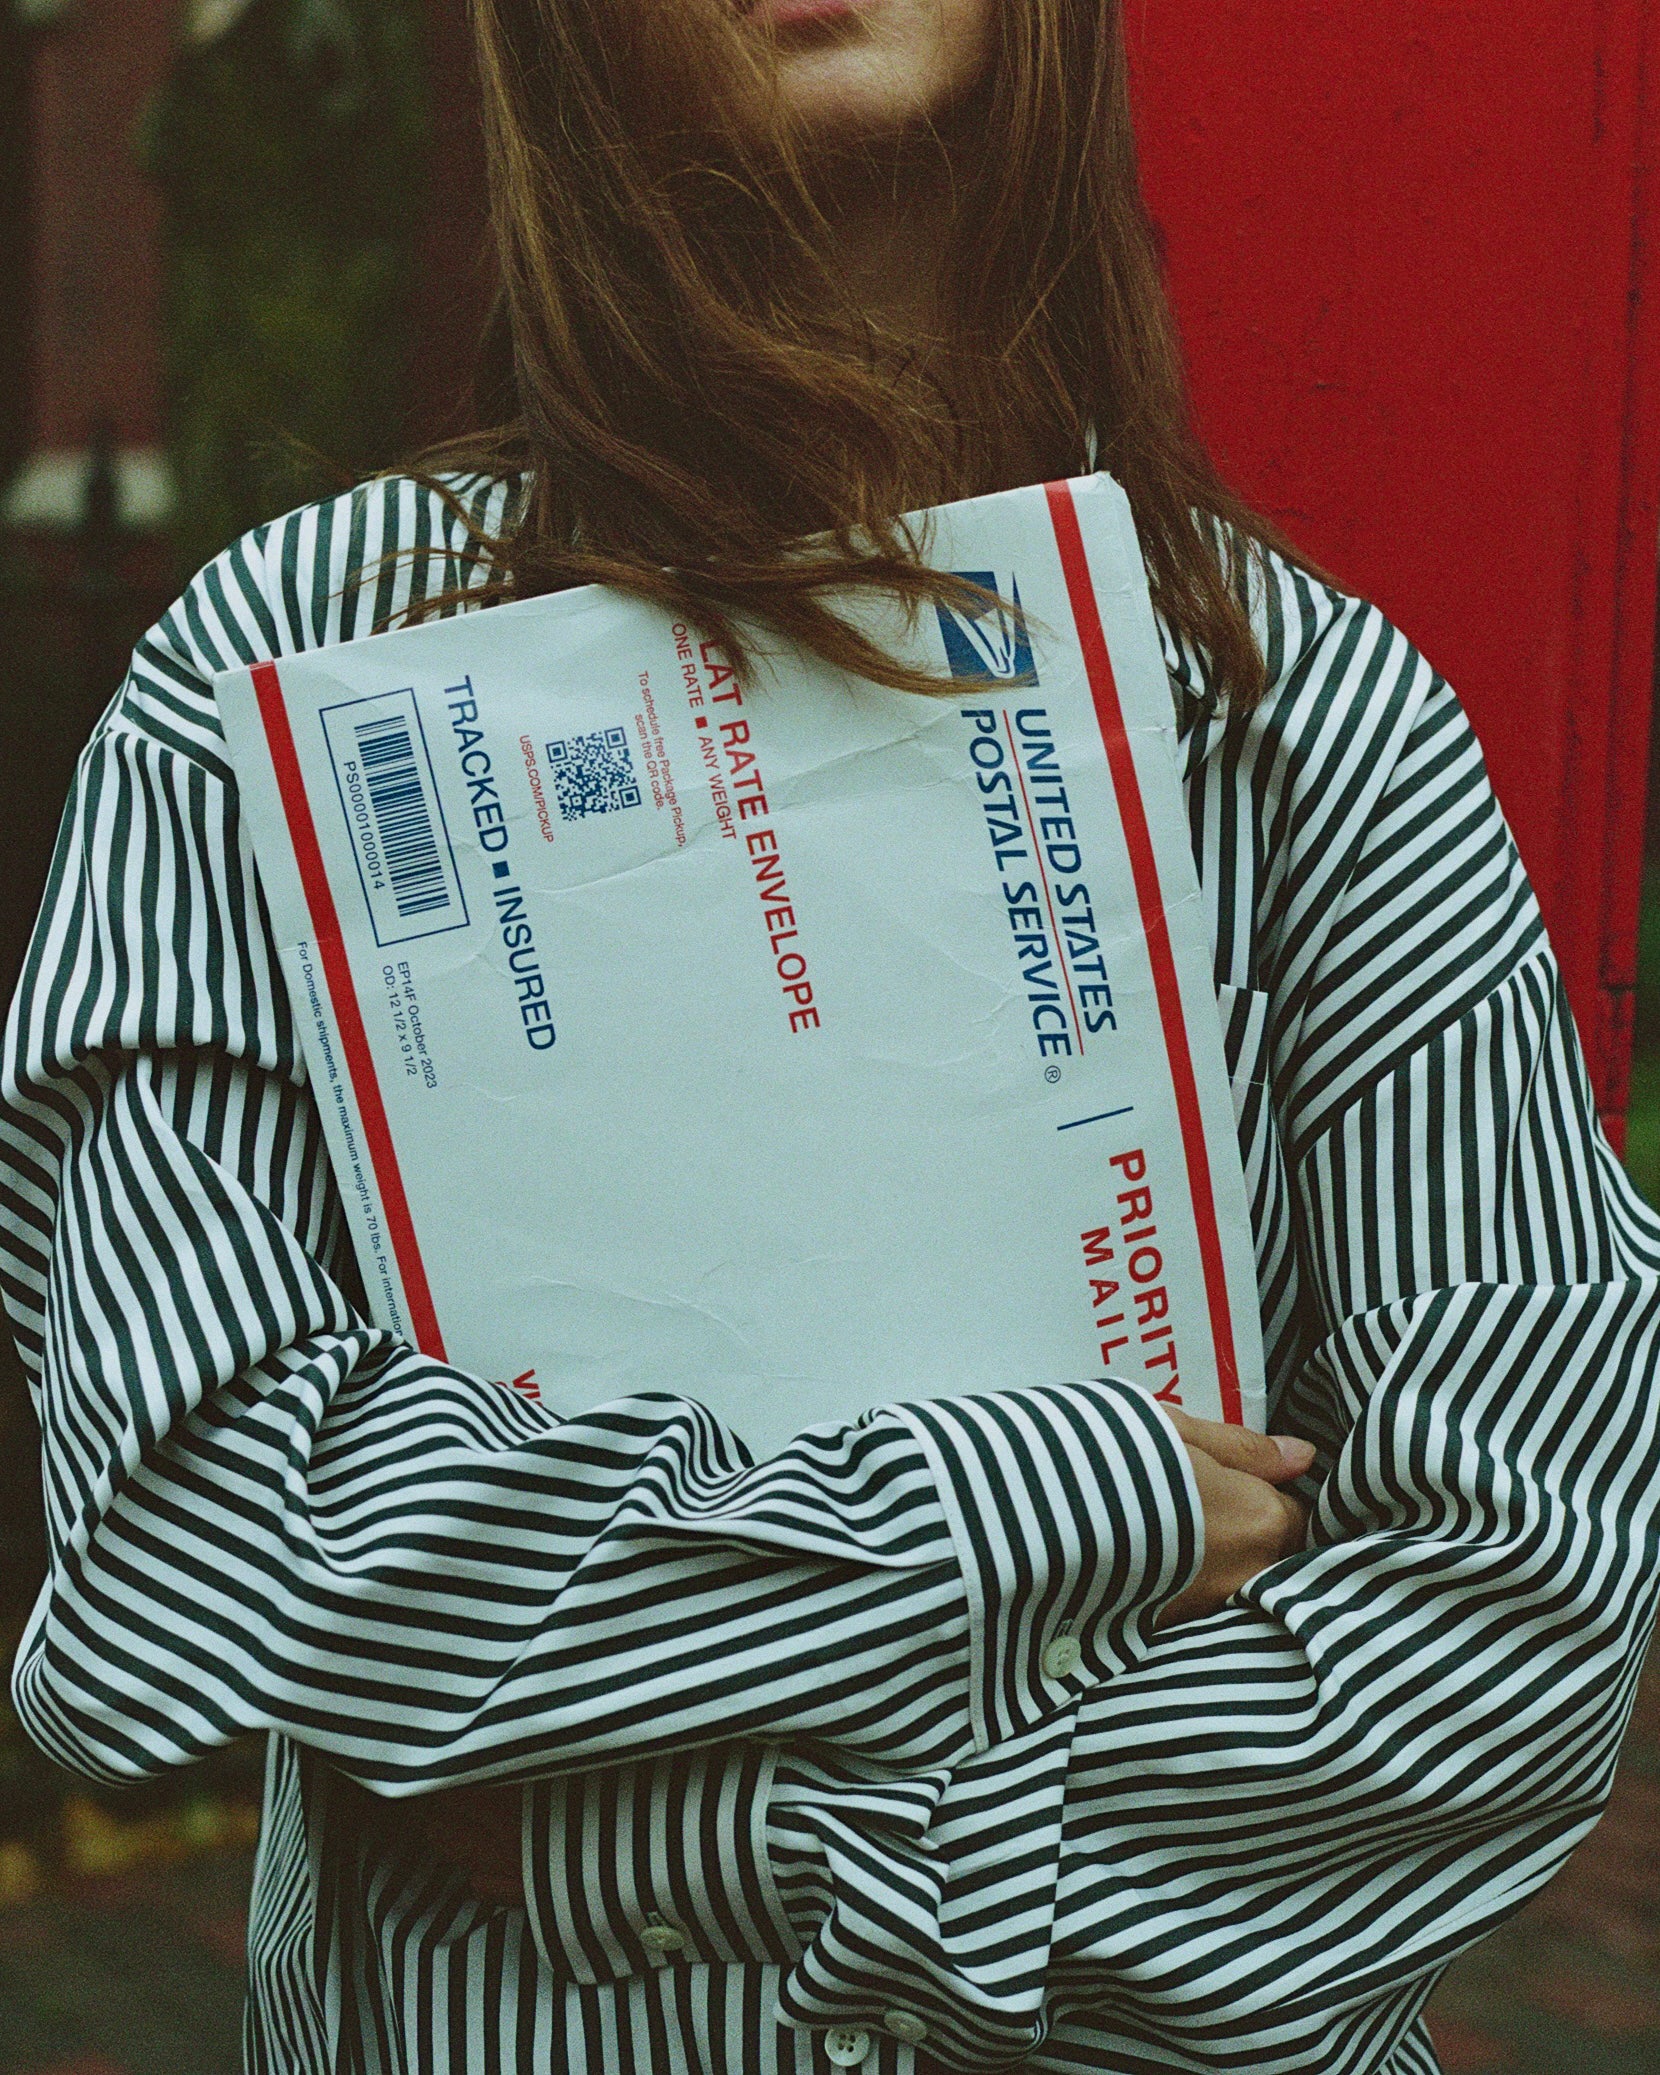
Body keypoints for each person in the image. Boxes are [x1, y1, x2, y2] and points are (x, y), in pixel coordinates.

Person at [2, 2, 1657, 2071]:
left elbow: (1504, 1635)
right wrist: (1016, 1504)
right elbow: (192, 1540)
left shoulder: (1306, 714)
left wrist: (683, 1837)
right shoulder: (280, 677)